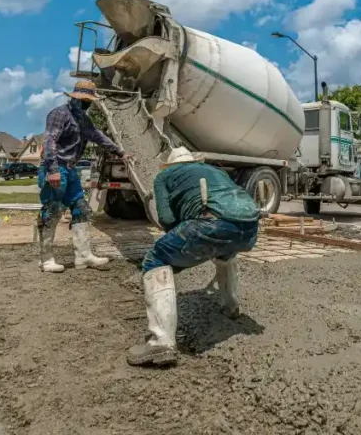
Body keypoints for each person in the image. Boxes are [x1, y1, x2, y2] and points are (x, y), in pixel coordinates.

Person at [126, 147, 261, 367]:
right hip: (250, 228)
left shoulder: (164, 176)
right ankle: (231, 306)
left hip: (211, 223)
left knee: (155, 259)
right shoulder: (215, 170)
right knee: (225, 253)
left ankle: (161, 342)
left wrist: (180, 241)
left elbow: (166, 217)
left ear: (170, 165)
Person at [37, 79, 128, 273]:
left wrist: (121, 152)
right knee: (52, 209)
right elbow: (50, 141)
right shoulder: (59, 114)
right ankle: (46, 259)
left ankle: (83, 256)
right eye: (84, 100)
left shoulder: (83, 120)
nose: (87, 104)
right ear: (75, 98)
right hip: (56, 167)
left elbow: (97, 136)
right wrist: (52, 170)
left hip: (71, 169)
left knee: (81, 208)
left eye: (89, 101)